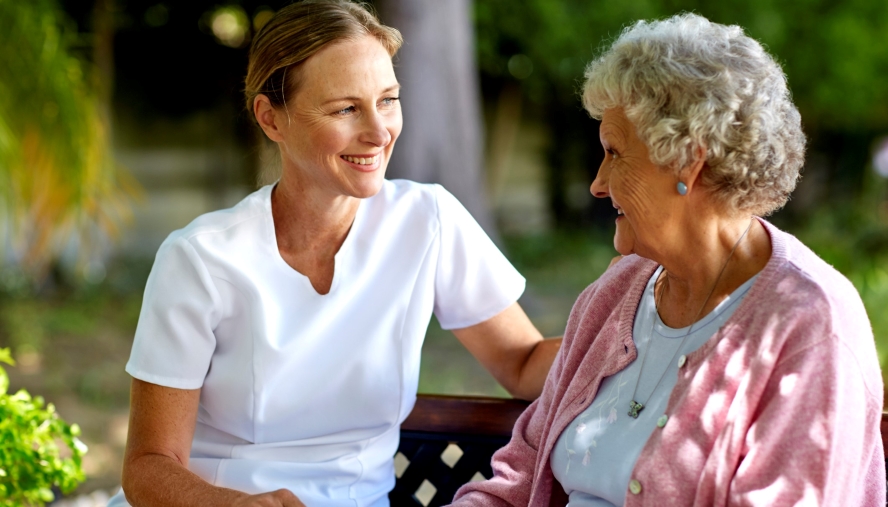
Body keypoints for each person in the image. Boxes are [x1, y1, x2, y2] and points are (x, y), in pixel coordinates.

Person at [109, 1, 561, 506]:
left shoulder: (428, 221)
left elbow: (523, 363)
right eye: (346, 109)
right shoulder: (200, 260)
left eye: (387, 100)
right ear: (270, 118)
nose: (378, 131)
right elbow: (148, 467)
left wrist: (646, 329)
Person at [450, 13, 885, 507]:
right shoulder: (615, 295)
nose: (597, 183)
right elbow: (517, 481)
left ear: (687, 160)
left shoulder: (810, 324)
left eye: (614, 152)